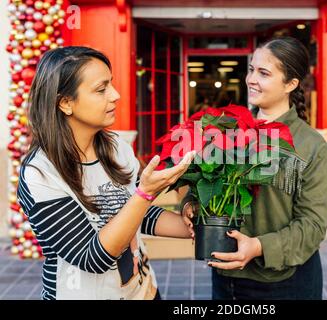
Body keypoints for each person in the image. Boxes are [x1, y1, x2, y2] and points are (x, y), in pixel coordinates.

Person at [17, 46, 195, 300]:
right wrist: (145, 193)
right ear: (65, 103)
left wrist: (194, 226)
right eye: (101, 90)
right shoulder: (40, 173)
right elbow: (92, 258)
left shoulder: (115, 146)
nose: (116, 95)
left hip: (142, 291)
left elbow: (134, 215)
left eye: (111, 84)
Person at [182, 37, 327, 300]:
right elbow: (205, 183)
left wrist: (258, 246)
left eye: (264, 73)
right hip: (225, 276)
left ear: (291, 84)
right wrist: (189, 204)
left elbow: (313, 225)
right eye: (251, 69)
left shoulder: (311, 146)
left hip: (285, 282)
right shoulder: (227, 129)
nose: (251, 79)